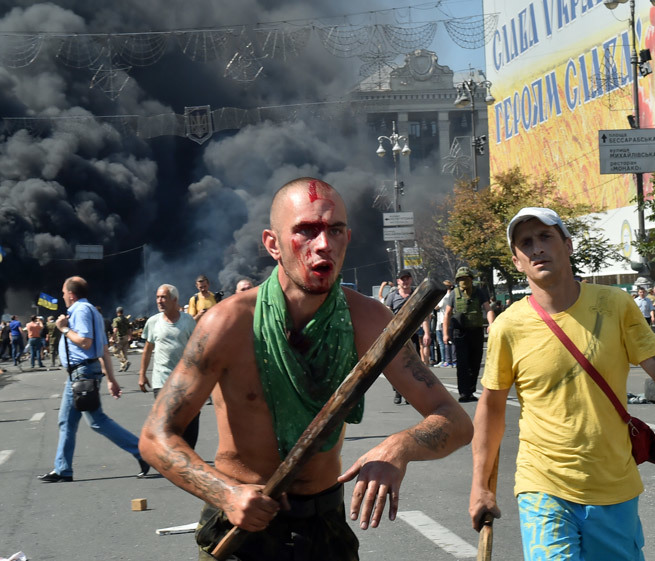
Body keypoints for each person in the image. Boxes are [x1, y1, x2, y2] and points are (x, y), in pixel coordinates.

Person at [139, 177, 473, 561]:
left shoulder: (367, 320)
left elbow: (455, 421)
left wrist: (399, 448)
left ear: (348, 237)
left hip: (323, 527)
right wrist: (225, 494)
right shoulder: (226, 325)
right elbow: (155, 437)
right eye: (306, 231)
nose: (323, 244)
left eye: (334, 230)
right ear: (272, 244)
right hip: (241, 531)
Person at [470, 207, 655, 561]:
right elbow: (491, 408)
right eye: (526, 243)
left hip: (614, 486)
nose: (537, 248)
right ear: (517, 261)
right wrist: (479, 486)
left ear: (568, 246)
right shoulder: (507, 327)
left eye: (546, 237)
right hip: (543, 484)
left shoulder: (615, 305)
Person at [37, 276, 149, 483]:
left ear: (71, 294)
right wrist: (111, 379)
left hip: (81, 373)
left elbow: (86, 342)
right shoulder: (93, 312)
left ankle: (142, 452)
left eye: (63, 292)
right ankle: (63, 469)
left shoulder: (80, 311)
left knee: (96, 421)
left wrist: (64, 329)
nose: (62, 296)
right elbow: (104, 349)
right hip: (83, 373)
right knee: (67, 421)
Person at [138, 284, 198, 448]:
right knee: (166, 423)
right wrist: (142, 374)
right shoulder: (153, 322)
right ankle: (172, 456)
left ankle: (188, 453)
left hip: (185, 381)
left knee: (190, 422)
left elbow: (197, 349)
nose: (159, 301)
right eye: (158, 297)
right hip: (161, 381)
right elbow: (148, 350)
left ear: (174, 300)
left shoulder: (188, 321)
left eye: (163, 297)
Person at [443, 267, 495, 402]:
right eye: (460, 279)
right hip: (460, 333)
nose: (463, 281)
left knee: (475, 362)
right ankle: (463, 393)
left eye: (466, 279)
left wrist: (491, 324)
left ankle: (471, 391)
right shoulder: (454, 294)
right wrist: (445, 333)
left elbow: (488, 309)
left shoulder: (479, 292)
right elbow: (447, 314)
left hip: (476, 331)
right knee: (462, 364)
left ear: (471, 279)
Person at [384, 269, 431, 404]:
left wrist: (427, 333)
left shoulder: (416, 295)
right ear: (398, 281)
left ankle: (409, 393)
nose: (405, 282)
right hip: (397, 336)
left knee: (412, 365)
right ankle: (398, 392)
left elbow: (424, 316)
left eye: (407, 279)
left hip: (413, 335)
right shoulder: (392, 296)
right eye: (402, 279)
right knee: (397, 365)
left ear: (410, 280)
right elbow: (386, 315)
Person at [112, 306, 131, 372]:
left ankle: (125, 362)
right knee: (124, 353)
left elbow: (115, 329)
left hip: (120, 338)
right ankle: (123, 367)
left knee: (115, 351)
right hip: (126, 337)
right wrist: (130, 336)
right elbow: (129, 329)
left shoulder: (116, 320)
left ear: (117, 312)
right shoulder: (126, 319)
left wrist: (113, 337)